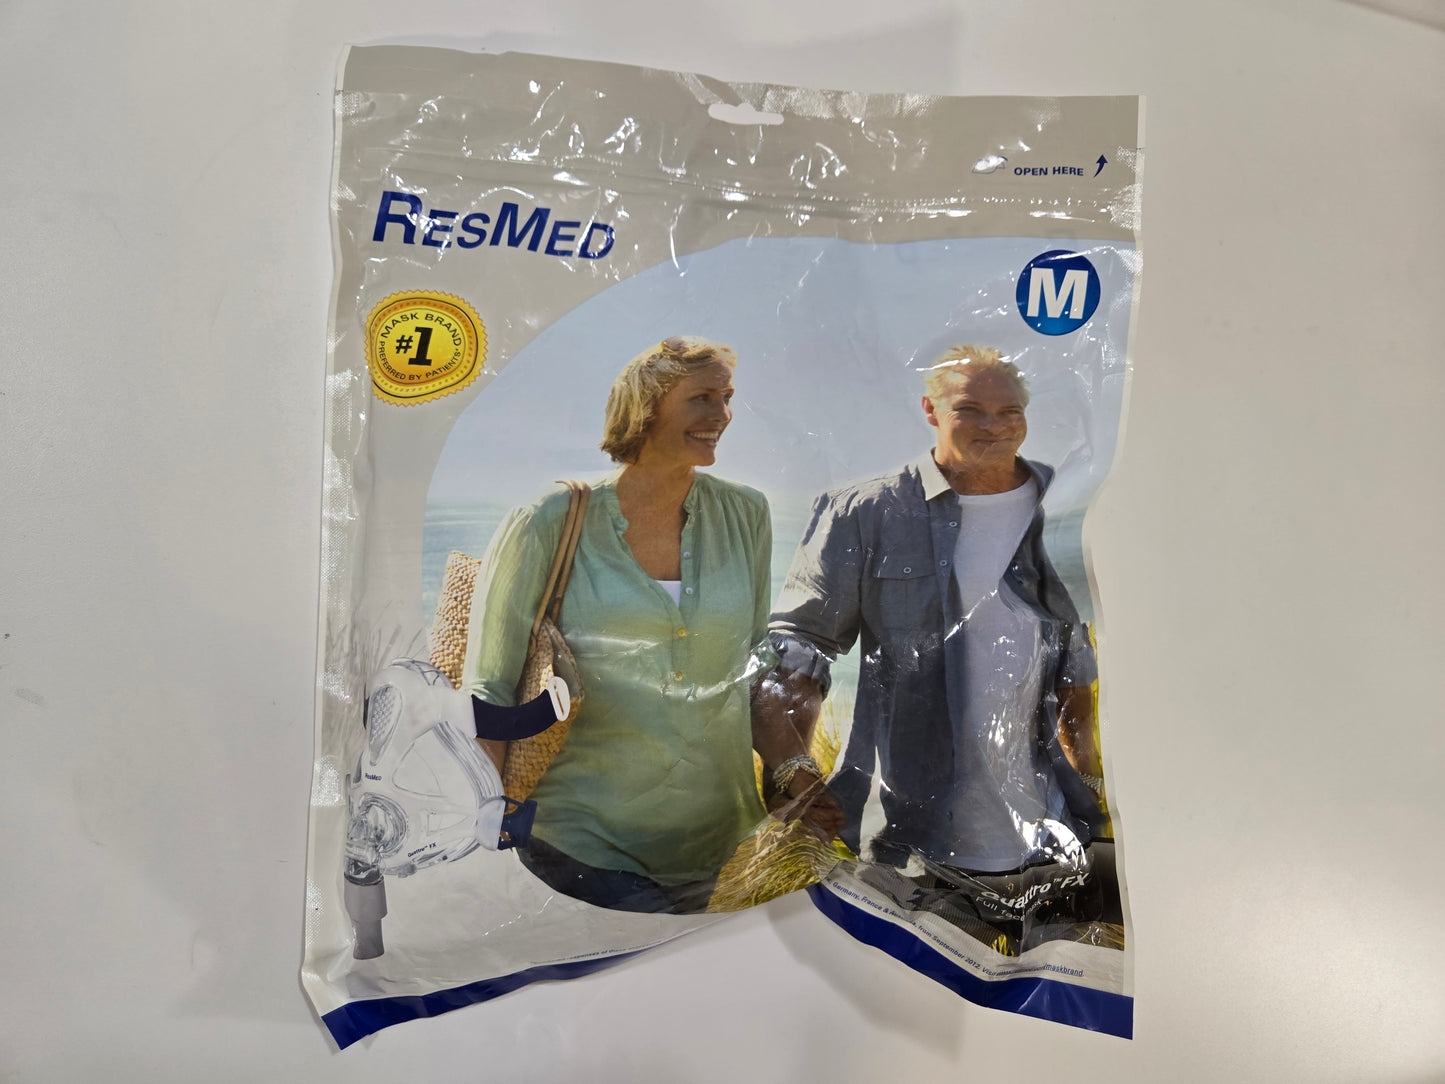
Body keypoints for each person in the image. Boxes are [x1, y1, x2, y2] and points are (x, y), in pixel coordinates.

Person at [761, 345, 1118, 952]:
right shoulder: (867, 511)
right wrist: (790, 766)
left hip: (1060, 840)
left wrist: (1096, 790)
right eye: (970, 409)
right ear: (931, 410)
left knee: (1067, 1000)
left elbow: (1074, 669)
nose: (993, 426)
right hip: (912, 848)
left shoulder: (1064, 507)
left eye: (1009, 411)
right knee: (921, 1003)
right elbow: (798, 644)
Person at [461, 336, 815, 914]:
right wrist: (483, 824)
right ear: (647, 407)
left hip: (715, 842)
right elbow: (489, 688)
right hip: (580, 837)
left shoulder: (746, 513)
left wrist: (798, 773)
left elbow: (755, 669)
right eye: (703, 398)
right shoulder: (547, 520)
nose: (723, 415)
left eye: (727, 398)